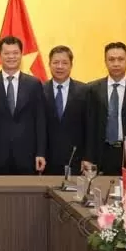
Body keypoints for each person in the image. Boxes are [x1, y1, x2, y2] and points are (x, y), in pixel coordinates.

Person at [82, 42, 126, 177]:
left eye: (120, 59)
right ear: (105, 62)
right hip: (101, 153)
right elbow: (89, 126)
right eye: (111, 59)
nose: (116, 63)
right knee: (101, 193)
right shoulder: (92, 89)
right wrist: (88, 156)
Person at [0, 36, 46, 175]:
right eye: (7, 53)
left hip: (27, 156)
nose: (11, 57)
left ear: (21, 54)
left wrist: (40, 152)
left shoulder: (34, 84)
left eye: (15, 53)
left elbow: (40, 121)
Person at [43, 45, 88, 176]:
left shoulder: (84, 91)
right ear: (49, 64)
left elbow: (89, 127)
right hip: (47, 159)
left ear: (71, 65)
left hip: (76, 158)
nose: (60, 67)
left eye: (64, 63)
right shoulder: (40, 90)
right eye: (56, 62)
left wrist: (88, 157)